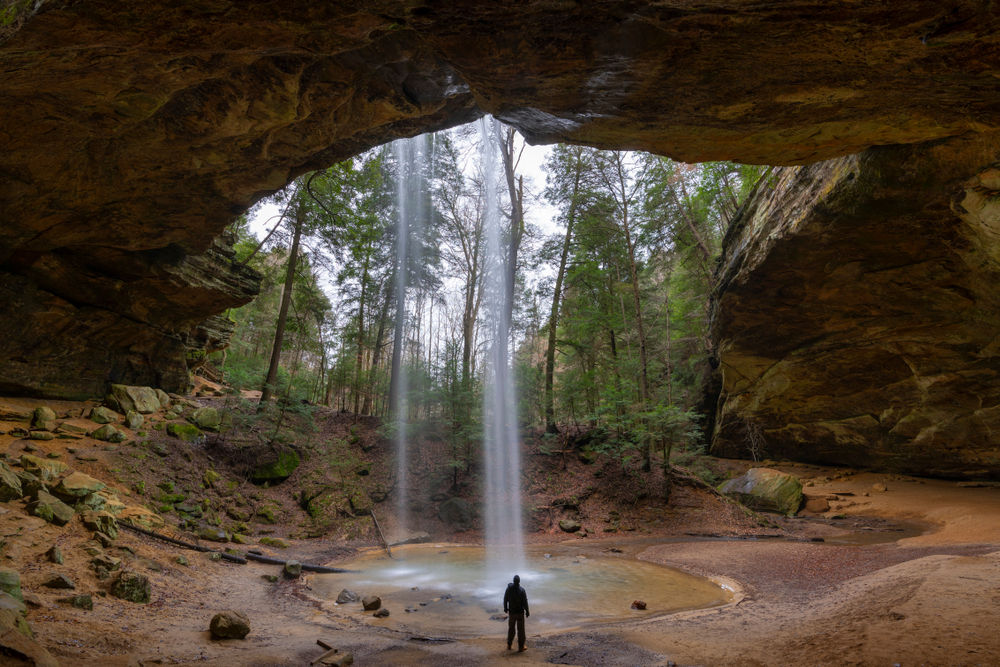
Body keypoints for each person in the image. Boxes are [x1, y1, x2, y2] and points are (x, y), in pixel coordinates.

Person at [503, 574, 529, 651]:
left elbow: (505, 599)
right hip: (520, 613)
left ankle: (509, 644)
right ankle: (521, 646)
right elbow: (525, 602)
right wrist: (527, 611)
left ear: (513, 581)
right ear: (519, 582)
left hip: (512, 613)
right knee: (521, 630)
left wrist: (505, 608)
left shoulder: (509, 589)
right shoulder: (521, 591)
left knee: (511, 629)